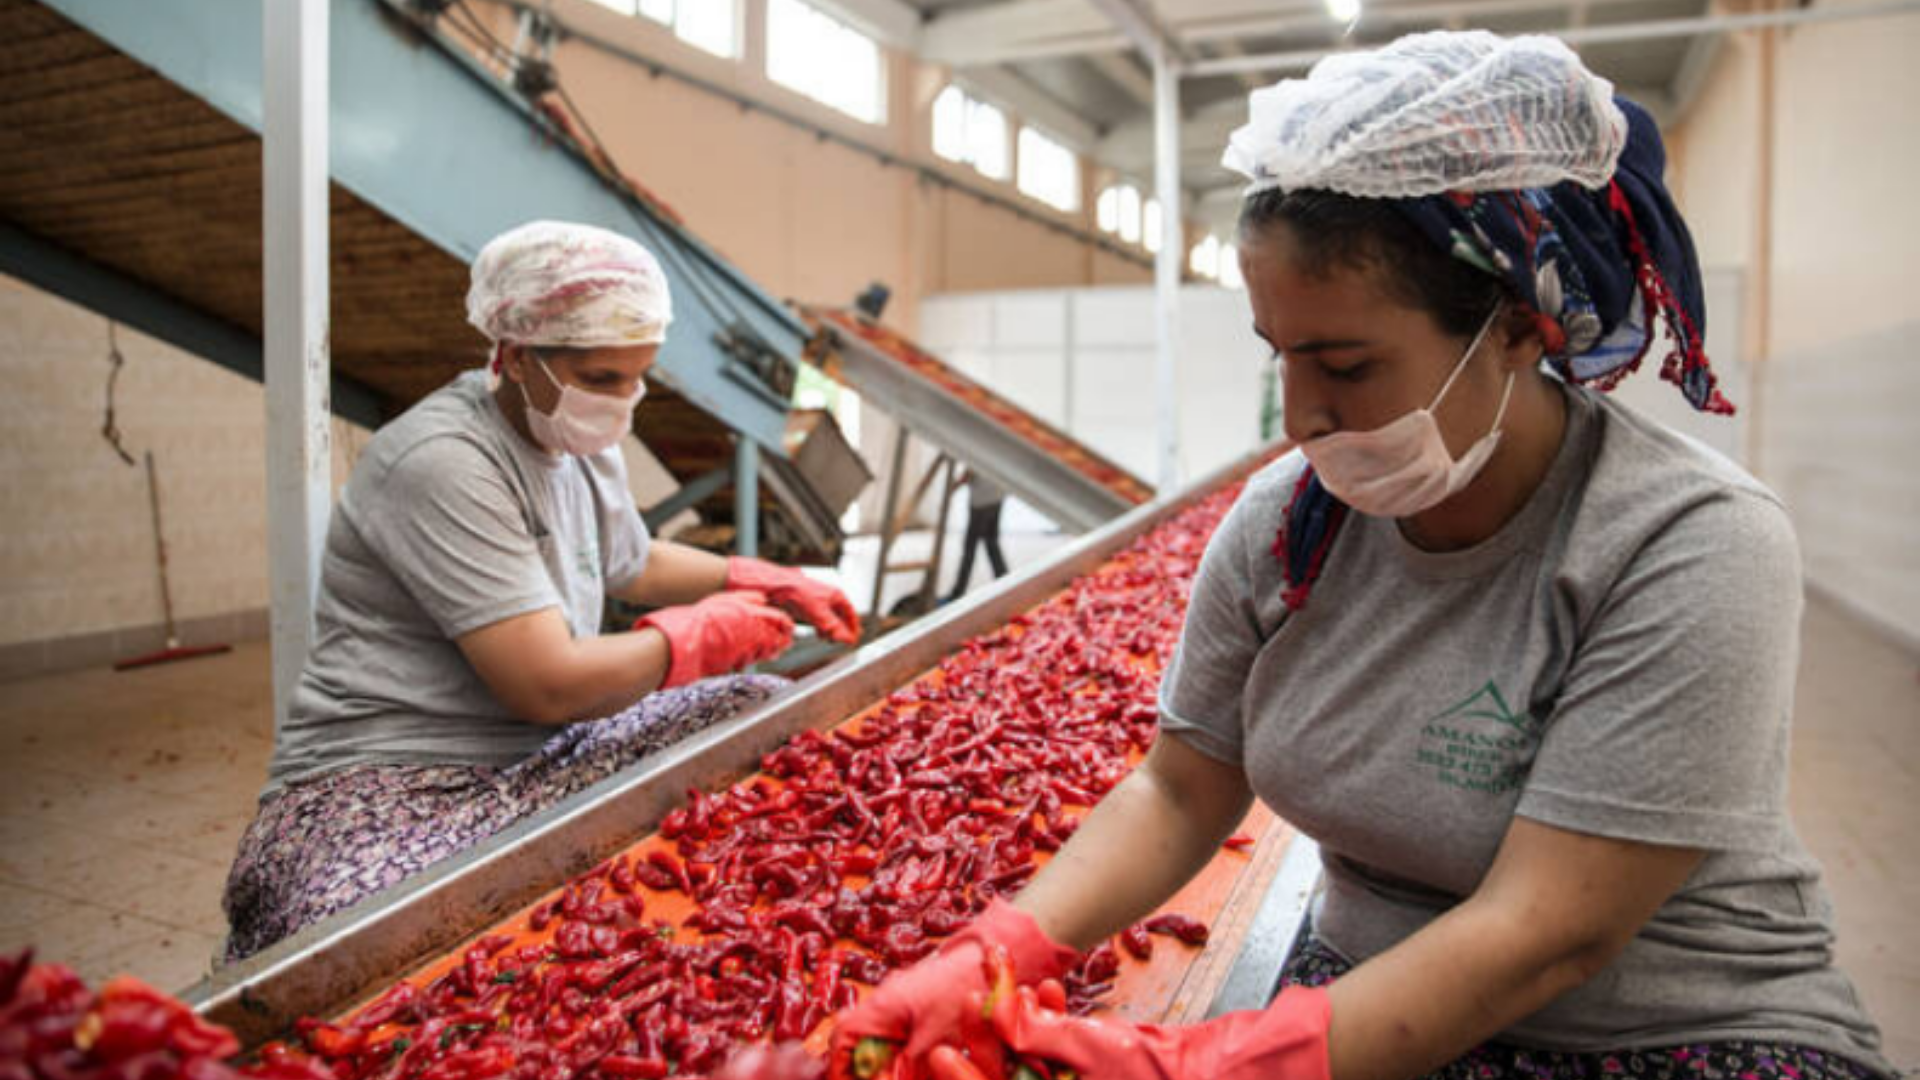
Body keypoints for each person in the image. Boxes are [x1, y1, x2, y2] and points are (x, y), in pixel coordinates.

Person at [831, 33, 1892, 1080]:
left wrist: (1219, 1063)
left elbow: (1547, 929)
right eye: (1279, 354)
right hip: (1364, 1001)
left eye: (1344, 362)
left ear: (1522, 329)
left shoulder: (1686, 542)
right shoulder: (1287, 526)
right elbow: (1181, 790)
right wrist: (1001, 951)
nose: (1299, 416)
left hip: (1668, 1036)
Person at [223, 221, 860, 961]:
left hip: (546, 754)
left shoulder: (577, 438)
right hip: (399, 776)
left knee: (763, 713)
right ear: (516, 357)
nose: (623, 402)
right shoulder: (443, 463)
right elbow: (546, 684)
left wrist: (756, 574)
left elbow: (628, 561)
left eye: (637, 375)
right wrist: (686, 641)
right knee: (380, 941)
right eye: (600, 378)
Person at [946, 469, 1009, 602]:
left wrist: (953, 487)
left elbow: (970, 472)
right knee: (991, 542)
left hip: (981, 501)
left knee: (970, 547)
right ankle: (1005, 581)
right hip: (997, 495)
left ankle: (958, 592)